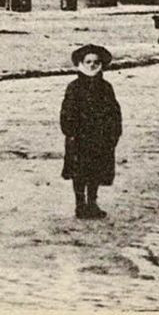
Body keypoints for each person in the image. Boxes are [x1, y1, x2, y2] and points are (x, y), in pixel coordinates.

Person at [60, 43, 122, 219]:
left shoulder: (106, 87)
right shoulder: (74, 87)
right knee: (79, 172)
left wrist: (113, 134)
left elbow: (114, 112)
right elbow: (67, 112)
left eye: (95, 62)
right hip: (79, 137)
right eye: (88, 62)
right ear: (81, 63)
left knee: (95, 171)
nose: (92, 65)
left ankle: (92, 203)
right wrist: (70, 132)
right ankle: (80, 205)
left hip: (99, 137)